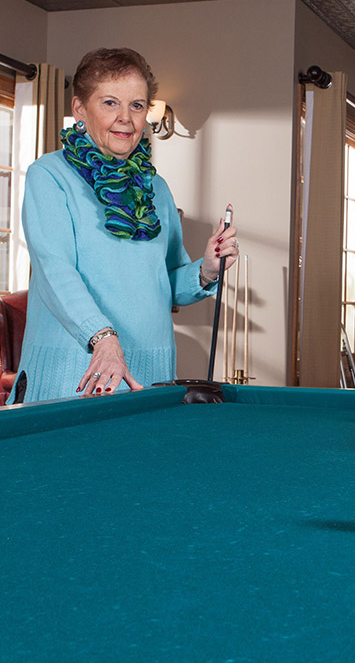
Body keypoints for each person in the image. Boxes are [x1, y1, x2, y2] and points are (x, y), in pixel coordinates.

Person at [14, 47, 239, 402]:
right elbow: (55, 271)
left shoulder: (157, 188)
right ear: (79, 109)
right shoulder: (49, 175)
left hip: (152, 375)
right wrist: (101, 337)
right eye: (109, 103)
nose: (126, 118)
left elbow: (164, 284)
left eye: (136, 105)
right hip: (78, 370)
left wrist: (208, 270)